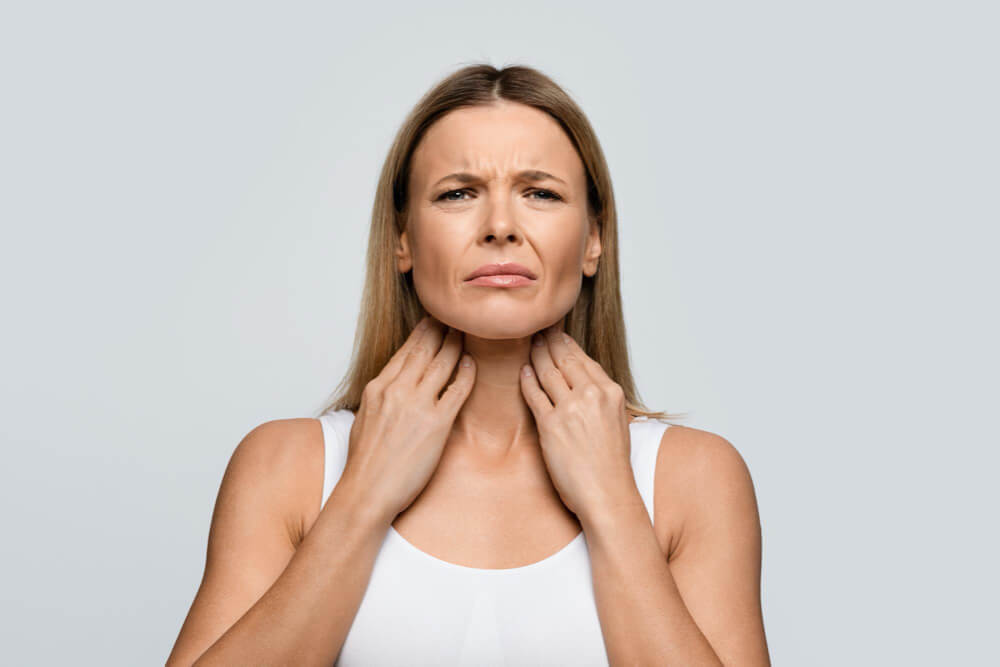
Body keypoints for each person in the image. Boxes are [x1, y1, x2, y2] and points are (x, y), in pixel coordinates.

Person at [167, 63, 770, 666]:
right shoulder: (288, 467)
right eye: (458, 194)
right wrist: (363, 495)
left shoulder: (694, 478)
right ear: (402, 238)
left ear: (593, 240)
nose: (501, 227)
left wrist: (613, 501)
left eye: (541, 193)